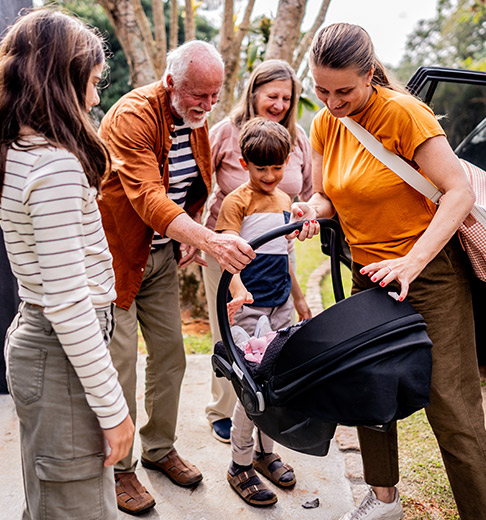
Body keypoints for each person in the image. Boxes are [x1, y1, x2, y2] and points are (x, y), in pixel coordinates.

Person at [296, 23, 486, 520]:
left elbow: (459, 192)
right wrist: (310, 208)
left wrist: (413, 261)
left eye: (344, 91)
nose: (331, 102)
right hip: (368, 274)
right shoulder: (327, 123)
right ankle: (384, 499)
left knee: (452, 409)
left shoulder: (405, 114)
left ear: (369, 74)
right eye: (321, 90)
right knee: (369, 387)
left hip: (429, 273)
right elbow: (329, 196)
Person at [0, 9, 133, 519]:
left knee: (53, 499)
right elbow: (68, 302)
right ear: (63, 79)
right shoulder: (55, 165)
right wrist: (114, 409)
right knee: (76, 505)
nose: (95, 96)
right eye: (90, 81)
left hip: (45, 346)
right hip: (61, 349)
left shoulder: (19, 150)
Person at [96, 40, 258, 515]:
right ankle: (120, 469)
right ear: (170, 84)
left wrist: (190, 226)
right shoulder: (133, 116)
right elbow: (147, 196)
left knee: (170, 357)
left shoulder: (196, 122)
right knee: (121, 366)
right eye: (199, 95)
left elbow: (194, 183)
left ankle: (159, 448)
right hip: (119, 262)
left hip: (162, 258)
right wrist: (210, 240)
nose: (208, 105)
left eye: (215, 95)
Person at [203, 59, 313, 443]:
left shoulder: (296, 140)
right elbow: (203, 180)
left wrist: (305, 214)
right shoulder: (225, 134)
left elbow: (308, 194)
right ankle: (231, 419)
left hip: (277, 248)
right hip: (230, 251)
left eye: (287, 97)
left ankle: (267, 424)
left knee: (273, 352)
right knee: (235, 342)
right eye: (272, 95)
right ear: (254, 93)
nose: (280, 103)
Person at [218, 118, 302, 507]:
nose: (269, 176)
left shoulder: (285, 202)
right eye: (260, 167)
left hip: (281, 305)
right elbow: (226, 256)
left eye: (277, 167)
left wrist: (299, 301)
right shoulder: (238, 202)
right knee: (251, 391)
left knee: (277, 385)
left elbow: (286, 257)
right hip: (251, 310)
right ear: (243, 162)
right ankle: (239, 464)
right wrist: (238, 291)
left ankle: (266, 453)